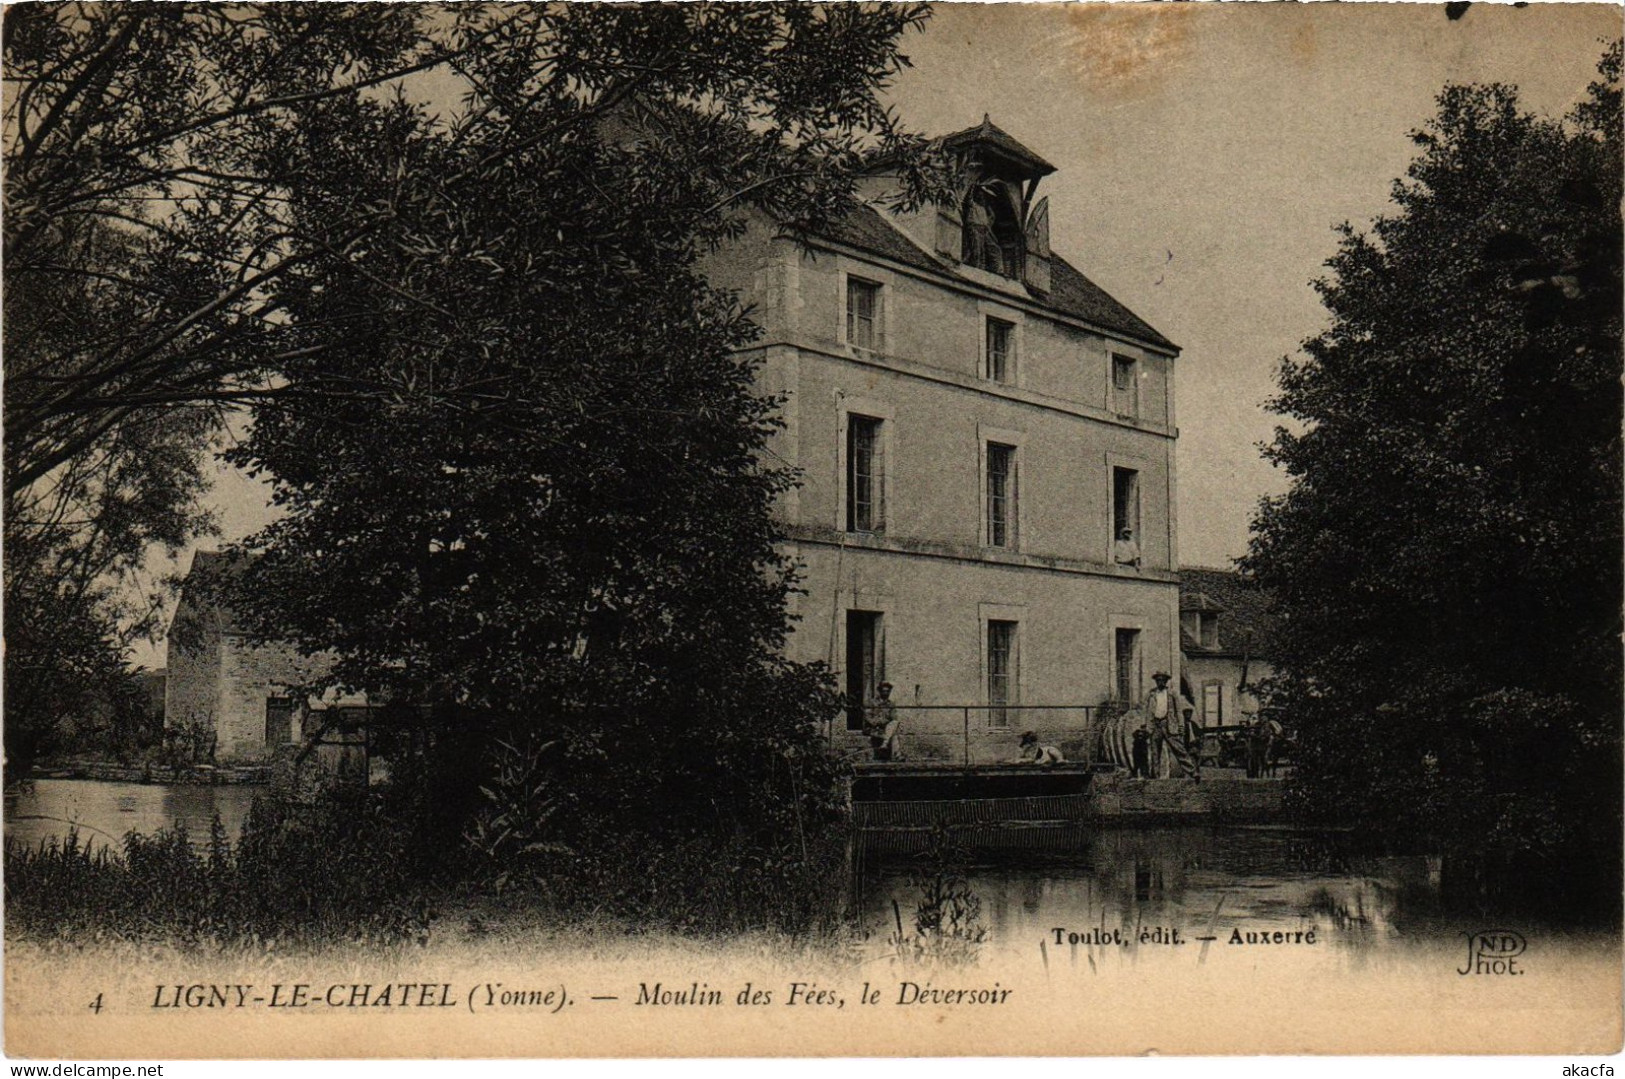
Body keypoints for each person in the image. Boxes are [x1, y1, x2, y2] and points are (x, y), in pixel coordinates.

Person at [1146, 671, 1196, 778]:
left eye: (1162, 680)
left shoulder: (1172, 694)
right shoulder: (1152, 694)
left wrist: (1181, 727)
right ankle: (1155, 776)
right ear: (1156, 681)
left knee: (1179, 749)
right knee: (1155, 752)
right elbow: (1149, 713)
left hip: (1169, 725)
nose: (1160, 682)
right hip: (1156, 726)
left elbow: (1178, 712)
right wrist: (1148, 728)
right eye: (1158, 680)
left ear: (1166, 681)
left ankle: (1192, 771)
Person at [864, 681, 900, 761]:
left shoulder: (891, 704)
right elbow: (867, 717)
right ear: (880, 691)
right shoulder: (872, 703)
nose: (886, 693)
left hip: (886, 728)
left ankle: (885, 744)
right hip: (874, 728)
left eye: (888, 691)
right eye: (884, 691)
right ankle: (896, 755)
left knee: (894, 723)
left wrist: (885, 722)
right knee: (893, 735)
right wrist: (878, 722)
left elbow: (894, 718)